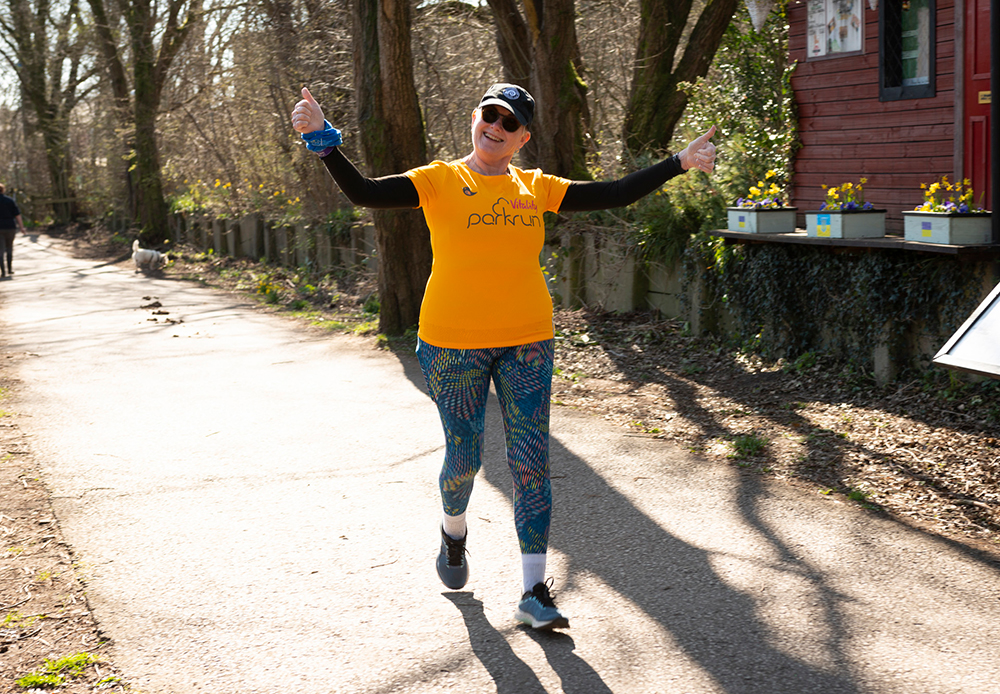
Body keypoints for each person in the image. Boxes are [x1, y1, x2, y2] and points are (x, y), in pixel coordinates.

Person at [291, 83, 716, 630]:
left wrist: (679, 163)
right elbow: (366, 194)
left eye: (509, 122)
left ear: (523, 137)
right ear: (475, 118)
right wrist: (324, 142)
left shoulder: (535, 187)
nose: (496, 127)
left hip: (528, 341)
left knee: (531, 464)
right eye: (489, 115)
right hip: (450, 342)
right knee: (465, 457)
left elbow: (613, 193)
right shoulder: (440, 179)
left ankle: (534, 590)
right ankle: (453, 532)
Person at [0, 183, 26, 279]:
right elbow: (17, 215)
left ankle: (3, 271)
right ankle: (10, 269)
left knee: (0, 250)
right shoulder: (9, 201)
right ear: (3, 190)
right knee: (9, 248)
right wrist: (22, 227)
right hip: (10, 227)